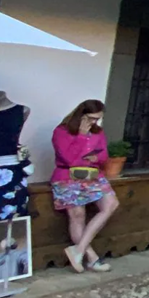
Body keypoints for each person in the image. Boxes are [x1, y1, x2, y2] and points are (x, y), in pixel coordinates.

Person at [51, 99, 119, 273]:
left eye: (98, 119)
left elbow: (104, 155)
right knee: (77, 214)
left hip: (92, 174)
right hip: (68, 176)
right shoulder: (62, 131)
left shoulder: (98, 132)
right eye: (91, 118)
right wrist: (81, 136)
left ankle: (79, 249)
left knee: (111, 204)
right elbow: (69, 158)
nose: (94, 122)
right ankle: (91, 257)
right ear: (81, 115)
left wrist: (96, 158)